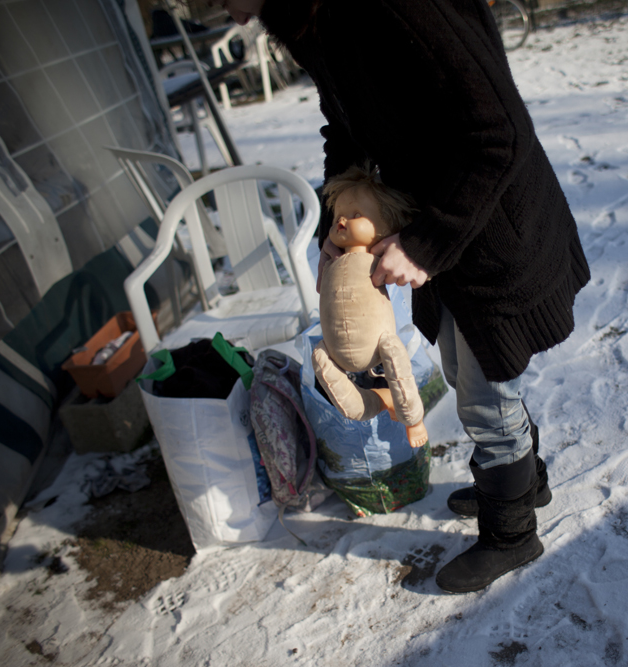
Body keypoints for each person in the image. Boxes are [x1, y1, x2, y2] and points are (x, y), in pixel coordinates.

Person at [214, 0, 590, 594]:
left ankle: (512, 534)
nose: (229, 18)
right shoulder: (318, 20)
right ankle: (524, 478)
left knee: (485, 401)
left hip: (489, 235)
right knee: (465, 371)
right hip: (436, 237)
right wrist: (335, 230)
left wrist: (424, 244)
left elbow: (499, 131)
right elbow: (346, 128)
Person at [311, 164, 429, 447]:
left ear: (385, 229)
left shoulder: (379, 259)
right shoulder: (331, 259)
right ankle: (379, 399)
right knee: (322, 363)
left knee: (396, 362)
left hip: (379, 342)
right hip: (334, 348)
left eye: (356, 215)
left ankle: (413, 418)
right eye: (339, 215)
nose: (341, 221)